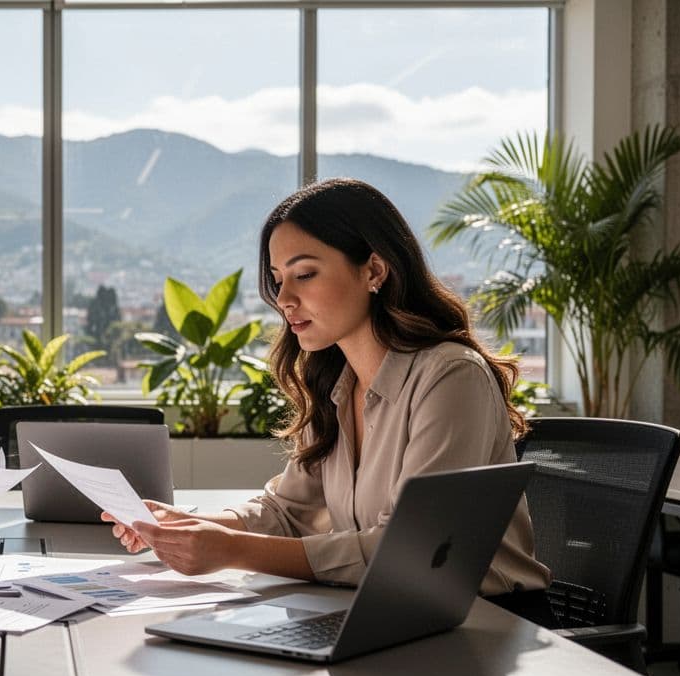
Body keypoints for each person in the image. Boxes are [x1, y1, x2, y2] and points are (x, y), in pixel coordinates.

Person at [105, 177, 555, 624]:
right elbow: (286, 510)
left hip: (485, 625)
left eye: (304, 274)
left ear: (374, 271)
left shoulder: (452, 377)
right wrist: (186, 526)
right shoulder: (337, 385)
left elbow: (410, 551)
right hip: (388, 617)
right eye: (278, 279)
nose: (283, 299)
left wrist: (231, 550)